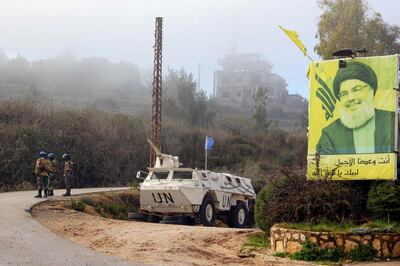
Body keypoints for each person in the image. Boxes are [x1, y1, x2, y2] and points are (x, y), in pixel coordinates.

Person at [317, 61, 395, 155]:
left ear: (371, 91)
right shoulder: (330, 133)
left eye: (356, 89)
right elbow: (323, 164)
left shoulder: (392, 121)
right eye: (344, 94)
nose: (351, 98)